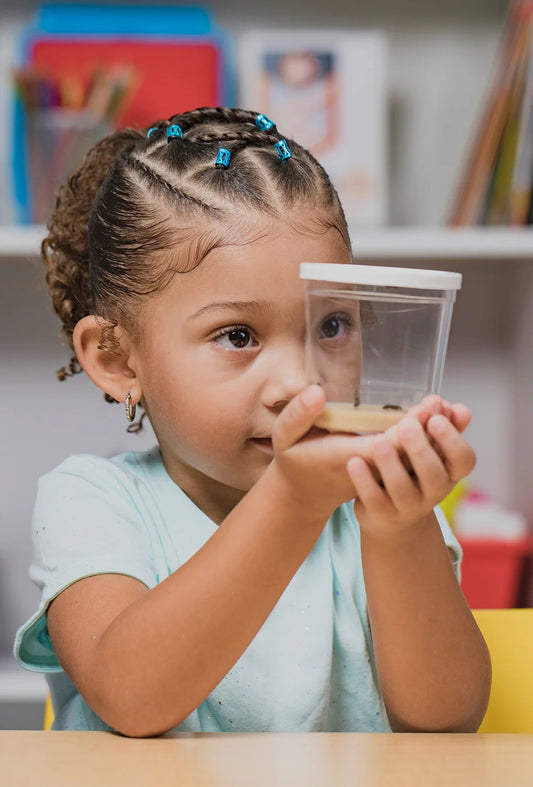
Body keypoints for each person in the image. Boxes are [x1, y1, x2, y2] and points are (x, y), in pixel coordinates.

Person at [14, 106, 490, 737]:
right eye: (237, 334)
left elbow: (447, 720)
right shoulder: (92, 502)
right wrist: (291, 499)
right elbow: (129, 698)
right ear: (116, 358)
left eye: (331, 326)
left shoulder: (377, 506)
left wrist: (400, 532)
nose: (300, 383)